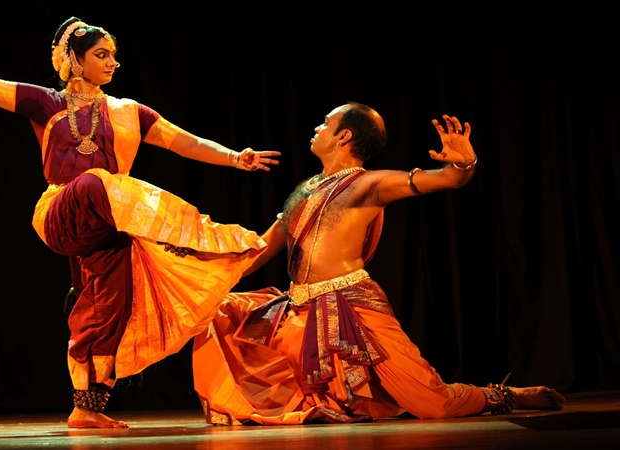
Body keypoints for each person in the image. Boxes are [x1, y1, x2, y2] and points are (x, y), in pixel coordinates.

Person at [0, 3, 281, 428]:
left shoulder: (129, 112)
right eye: (101, 54)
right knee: (97, 179)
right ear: (73, 60)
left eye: (113, 55)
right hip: (63, 211)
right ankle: (190, 234)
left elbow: (184, 143)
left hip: (107, 224)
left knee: (107, 310)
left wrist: (235, 158)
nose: (112, 62)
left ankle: (87, 406)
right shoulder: (45, 103)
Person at [192, 102, 566, 425]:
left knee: (432, 404)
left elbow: (448, 179)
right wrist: (200, 278)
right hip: (298, 313)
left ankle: (502, 396)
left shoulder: (368, 184)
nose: (318, 127)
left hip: (353, 308)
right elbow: (259, 250)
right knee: (215, 310)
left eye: (326, 123)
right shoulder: (303, 192)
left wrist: (463, 163)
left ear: (344, 137)